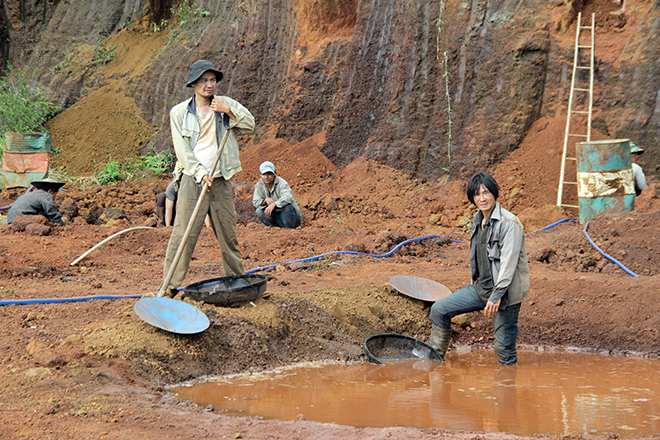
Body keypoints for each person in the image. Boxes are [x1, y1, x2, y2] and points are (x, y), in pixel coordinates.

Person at [160, 59, 255, 297]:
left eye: (212, 80)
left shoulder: (226, 104)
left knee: (228, 235)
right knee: (183, 234)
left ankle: (238, 283)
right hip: (193, 182)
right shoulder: (179, 112)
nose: (209, 85)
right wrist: (201, 173)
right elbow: (182, 149)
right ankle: (167, 289)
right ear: (193, 83)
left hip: (221, 181)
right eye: (204, 80)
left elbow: (250, 125)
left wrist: (229, 112)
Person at [428, 172, 529, 365]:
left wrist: (497, 295)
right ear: (472, 198)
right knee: (439, 309)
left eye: (486, 192)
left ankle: (508, 387)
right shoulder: (477, 220)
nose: (482, 198)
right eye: (477, 194)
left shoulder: (509, 223)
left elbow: (508, 264)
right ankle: (433, 364)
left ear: (494, 194)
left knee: (503, 348)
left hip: (505, 294)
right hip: (481, 288)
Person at [252, 161, 303, 229]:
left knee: (287, 208)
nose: (266, 177)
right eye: (264, 174)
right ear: (260, 175)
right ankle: (275, 230)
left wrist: (274, 204)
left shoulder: (282, 183)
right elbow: (255, 201)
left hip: (292, 217)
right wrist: (265, 200)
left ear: (274, 173)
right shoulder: (259, 184)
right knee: (259, 211)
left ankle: (290, 229)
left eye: (269, 174)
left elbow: (288, 197)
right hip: (276, 216)